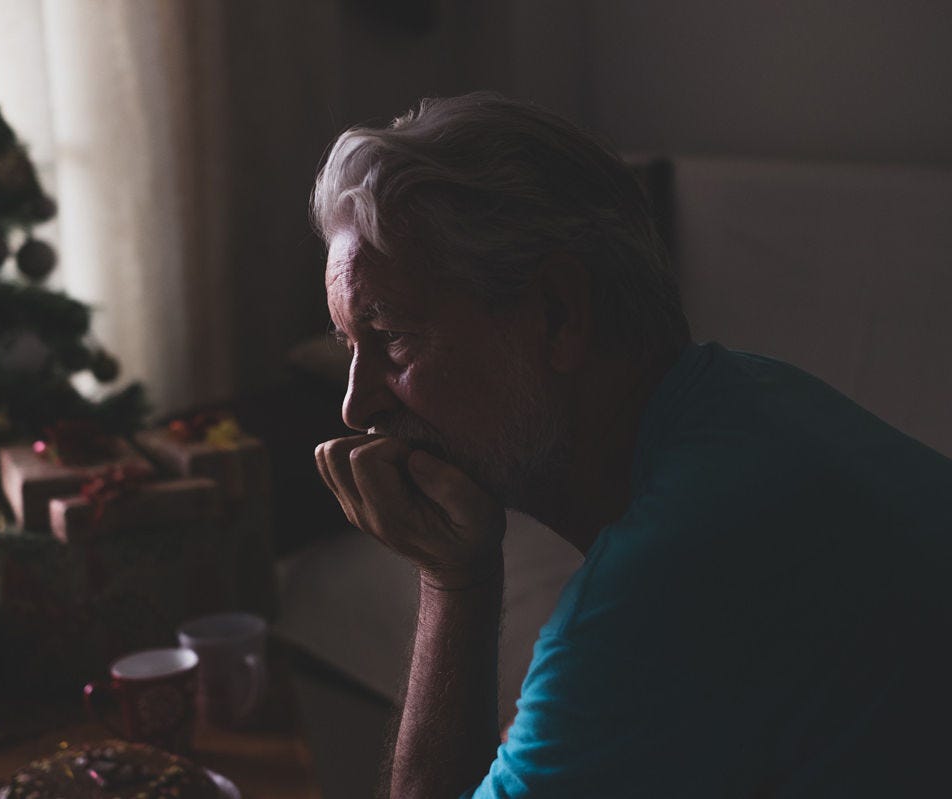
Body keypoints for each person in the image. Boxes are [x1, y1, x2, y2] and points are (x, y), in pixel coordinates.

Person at [310, 91, 952, 798]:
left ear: (558, 314)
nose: (355, 403)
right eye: (349, 346)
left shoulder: (661, 585)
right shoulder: (755, 397)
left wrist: (451, 578)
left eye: (391, 334)